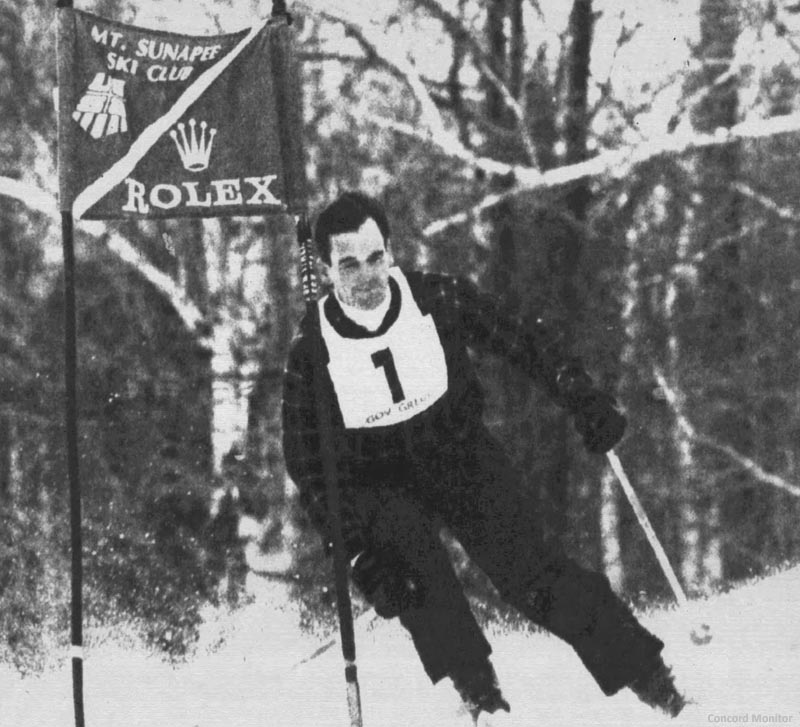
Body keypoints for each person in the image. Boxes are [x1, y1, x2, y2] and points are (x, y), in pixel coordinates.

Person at [281, 191, 687, 724]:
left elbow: (521, 339)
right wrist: (356, 554)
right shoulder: (313, 349)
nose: (366, 275)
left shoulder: (435, 297)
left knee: (534, 574)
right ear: (328, 270)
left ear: (391, 251)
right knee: (414, 574)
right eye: (349, 264)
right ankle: (483, 699)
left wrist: (579, 393)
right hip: (380, 481)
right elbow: (310, 469)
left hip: (459, 455)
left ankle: (655, 684)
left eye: (376, 257)